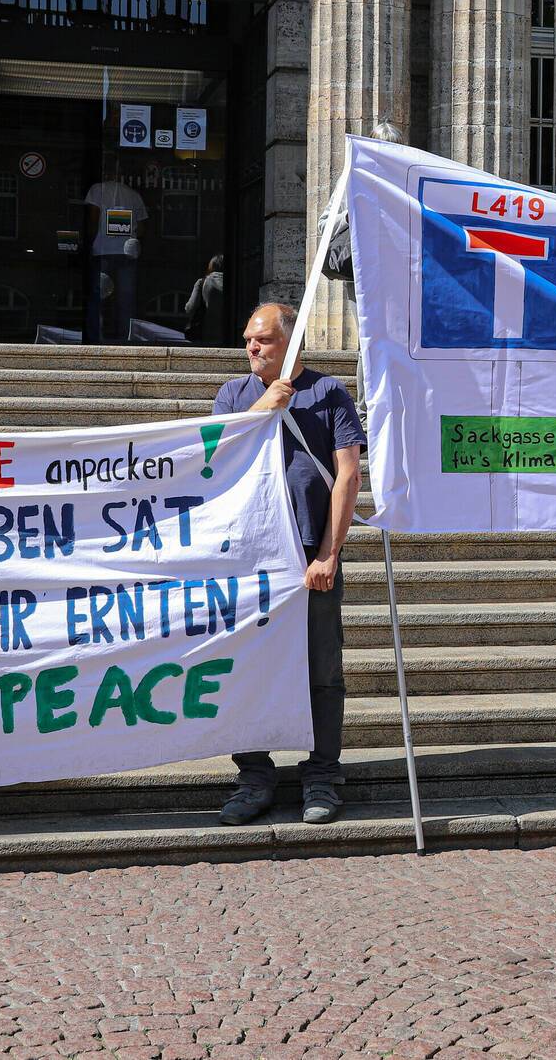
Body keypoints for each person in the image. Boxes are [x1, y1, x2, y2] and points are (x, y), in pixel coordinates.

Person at [214, 303, 366, 826]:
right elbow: (211, 457)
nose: (252, 349)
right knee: (246, 671)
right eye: (248, 340)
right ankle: (254, 777)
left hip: (308, 557)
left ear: (292, 342)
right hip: (250, 562)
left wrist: (329, 552)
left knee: (321, 671)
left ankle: (321, 776)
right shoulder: (234, 396)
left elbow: (348, 476)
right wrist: (265, 409)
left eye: (263, 341)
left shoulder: (329, 394)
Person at [81, 169, 147, 344]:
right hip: (127, 253)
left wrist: (88, 244)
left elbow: (93, 220)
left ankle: (95, 339)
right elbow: (141, 229)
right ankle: (125, 339)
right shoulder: (133, 195)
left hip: (102, 251)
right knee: (126, 299)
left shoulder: (97, 190)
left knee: (98, 298)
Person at [183, 254, 227, 343]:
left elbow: (190, 308)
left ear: (211, 266)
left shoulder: (202, 282)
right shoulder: (237, 283)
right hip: (229, 334)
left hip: (206, 333)